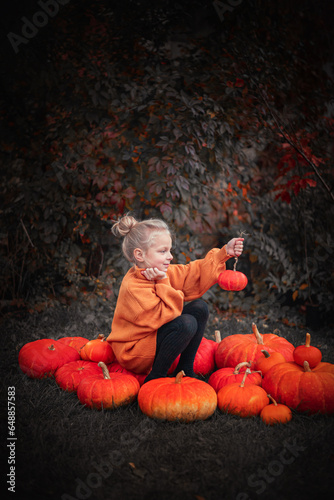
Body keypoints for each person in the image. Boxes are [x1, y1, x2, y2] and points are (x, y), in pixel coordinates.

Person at [106, 214, 244, 384]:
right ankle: (155, 378)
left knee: (200, 308)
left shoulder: (160, 271)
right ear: (140, 255)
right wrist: (162, 281)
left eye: (169, 250)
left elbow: (190, 273)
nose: (170, 256)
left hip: (152, 337)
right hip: (135, 351)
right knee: (186, 323)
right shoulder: (133, 287)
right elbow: (166, 315)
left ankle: (185, 369)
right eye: (163, 251)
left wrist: (224, 253)